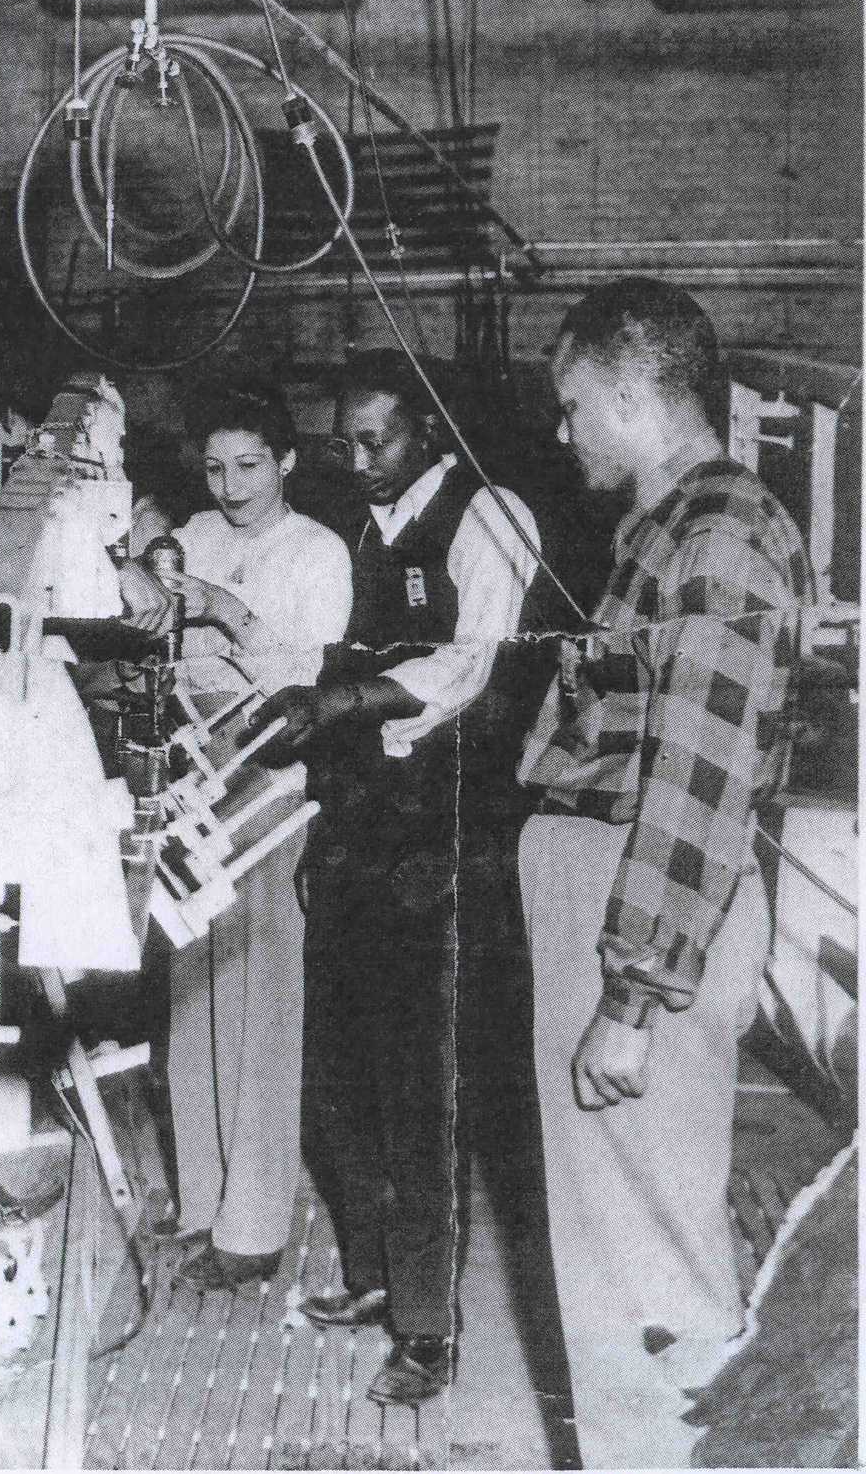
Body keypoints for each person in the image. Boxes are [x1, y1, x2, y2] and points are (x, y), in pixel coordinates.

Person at [516, 279, 810, 1468]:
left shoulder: (721, 541)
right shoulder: (672, 530)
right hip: (613, 899)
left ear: (631, 393)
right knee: (612, 1259)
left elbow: (695, 786)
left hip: (636, 921)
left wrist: (631, 1000)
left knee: (644, 1266)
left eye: (572, 402)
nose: (561, 428)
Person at [252, 350, 542, 1406]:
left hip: (447, 837)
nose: (358, 460)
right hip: (363, 830)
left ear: (427, 429)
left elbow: (470, 666)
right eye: (345, 443)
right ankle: (373, 1275)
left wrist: (339, 703)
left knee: (424, 1089)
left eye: (376, 440)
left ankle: (430, 1329)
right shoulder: (367, 527)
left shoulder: (488, 516)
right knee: (338, 1068)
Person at [154, 381, 351, 1292]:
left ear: (288, 463)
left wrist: (222, 609)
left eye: (249, 466)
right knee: (193, 992)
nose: (230, 486)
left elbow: (305, 683)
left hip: (271, 778)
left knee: (263, 1005)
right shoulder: (191, 535)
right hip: (191, 771)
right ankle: (201, 1201)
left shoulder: (315, 552)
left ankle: (255, 1222)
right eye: (215, 467)